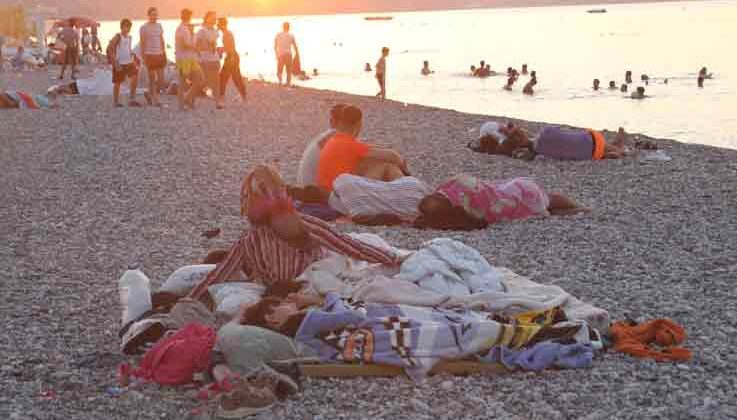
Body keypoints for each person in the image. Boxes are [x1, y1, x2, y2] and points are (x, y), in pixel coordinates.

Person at [184, 164, 404, 300]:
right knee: (217, 258)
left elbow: (351, 247)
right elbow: (222, 271)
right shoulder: (252, 238)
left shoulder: (305, 226)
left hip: (305, 282)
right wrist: (188, 300)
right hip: (278, 290)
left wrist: (394, 259)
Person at [414, 175, 588, 231]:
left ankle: (578, 209)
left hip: (515, 196)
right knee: (550, 200)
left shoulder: (466, 215)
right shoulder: (449, 188)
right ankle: (578, 208)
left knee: (549, 202)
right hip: (514, 192)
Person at [317, 105, 408, 191]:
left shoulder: (335, 140)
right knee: (386, 165)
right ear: (358, 125)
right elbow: (392, 156)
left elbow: (370, 148)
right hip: (337, 195)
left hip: (329, 190)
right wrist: (403, 166)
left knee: (371, 162)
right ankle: (407, 191)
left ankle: (403, 191)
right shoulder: (349, 144)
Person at [297, 104, 346, 186]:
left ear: (331, 121)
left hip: (305, 187)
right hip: (315, 191)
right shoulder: (336, 137)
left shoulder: (326, 135)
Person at [175, 8, 204, 110]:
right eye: (188, 16)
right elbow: (183, 45)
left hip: (191, 58)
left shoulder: (188, 28)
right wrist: (195, 47)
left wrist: (193, 35)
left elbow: (192, 43)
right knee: (182, 82)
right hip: (183, 59)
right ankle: (181, 105)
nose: (189, 18)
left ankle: (188, 99)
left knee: (200, 79)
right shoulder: (180, 29)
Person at [110, 19, 140, 108]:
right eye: (125, 26)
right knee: (117, 83)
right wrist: (115, 62)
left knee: (135, 77)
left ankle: (132, 99)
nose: (127, 29)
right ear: (122, 27)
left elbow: (129, 49)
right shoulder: (118, 36)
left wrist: (134, 57)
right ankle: (115, 102)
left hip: (129, 62)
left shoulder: (130, 37)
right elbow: (110, 48)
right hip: (119, 63)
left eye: (129, 27)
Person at [140, 7, 167, 107]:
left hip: (160, 54)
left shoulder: (159, 26)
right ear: (149, 15)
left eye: (156, 15)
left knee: (161, 79)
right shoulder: (144, 27)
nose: (154, 16)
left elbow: (162, 40)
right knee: (152, 79)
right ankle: (155, 100)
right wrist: (143, 57)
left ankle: (148, 93)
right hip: (149, 55)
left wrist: (164, 52)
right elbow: (142, 43)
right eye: (152, 14)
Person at [197, 11, 224, 109]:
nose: (214, 19)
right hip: (204, 59)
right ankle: (189, 97)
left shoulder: (216, 31)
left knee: (216, 81)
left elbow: (215, 44)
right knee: (202, 82)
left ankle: (217, 102)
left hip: (215, 59)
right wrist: (205, 49)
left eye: (215, 18)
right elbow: (197, 46)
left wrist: (219, 50)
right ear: (206, 18)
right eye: (212, 17)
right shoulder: (201, 31)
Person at [217, 17, 247, 102]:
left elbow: (231, 47)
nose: (217, 25)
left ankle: (221, 97)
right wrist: (222, 50)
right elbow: (228, 47)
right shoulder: (226, 33)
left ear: (222, 24)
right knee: (236, 77)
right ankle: (243, 95)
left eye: (218, 23)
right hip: (231, 56)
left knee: (223, 77)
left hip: (232, 57)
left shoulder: (227, 34)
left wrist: (221, 49)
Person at [274, 22, 299, 87]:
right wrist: (297, 54)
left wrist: (276, 54)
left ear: (283, 27)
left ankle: (280, 82)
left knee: (279, 70)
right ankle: (288, 84)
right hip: (288, 54)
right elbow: (295, 46)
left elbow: (275, 46)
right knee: (289, 71)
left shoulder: (278, 35)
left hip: (281, 55)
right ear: (289, 27)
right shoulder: (291, 36)